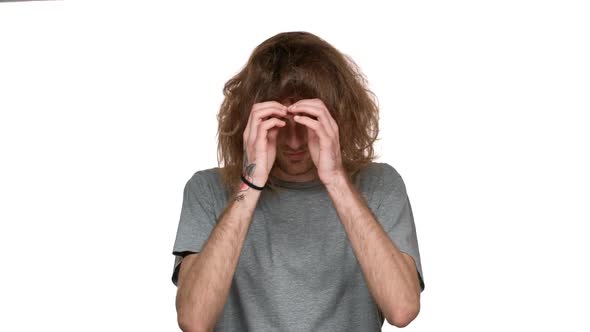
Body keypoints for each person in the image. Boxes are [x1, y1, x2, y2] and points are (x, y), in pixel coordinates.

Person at [171, 31, 425, 331]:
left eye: (308, 123)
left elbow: (402, 309)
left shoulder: (381, 185)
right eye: (279, 124)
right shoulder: (207, 190)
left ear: (339, 119)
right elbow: (193, 320)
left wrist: (335, 179)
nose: (293, 142)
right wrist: (251, 181)